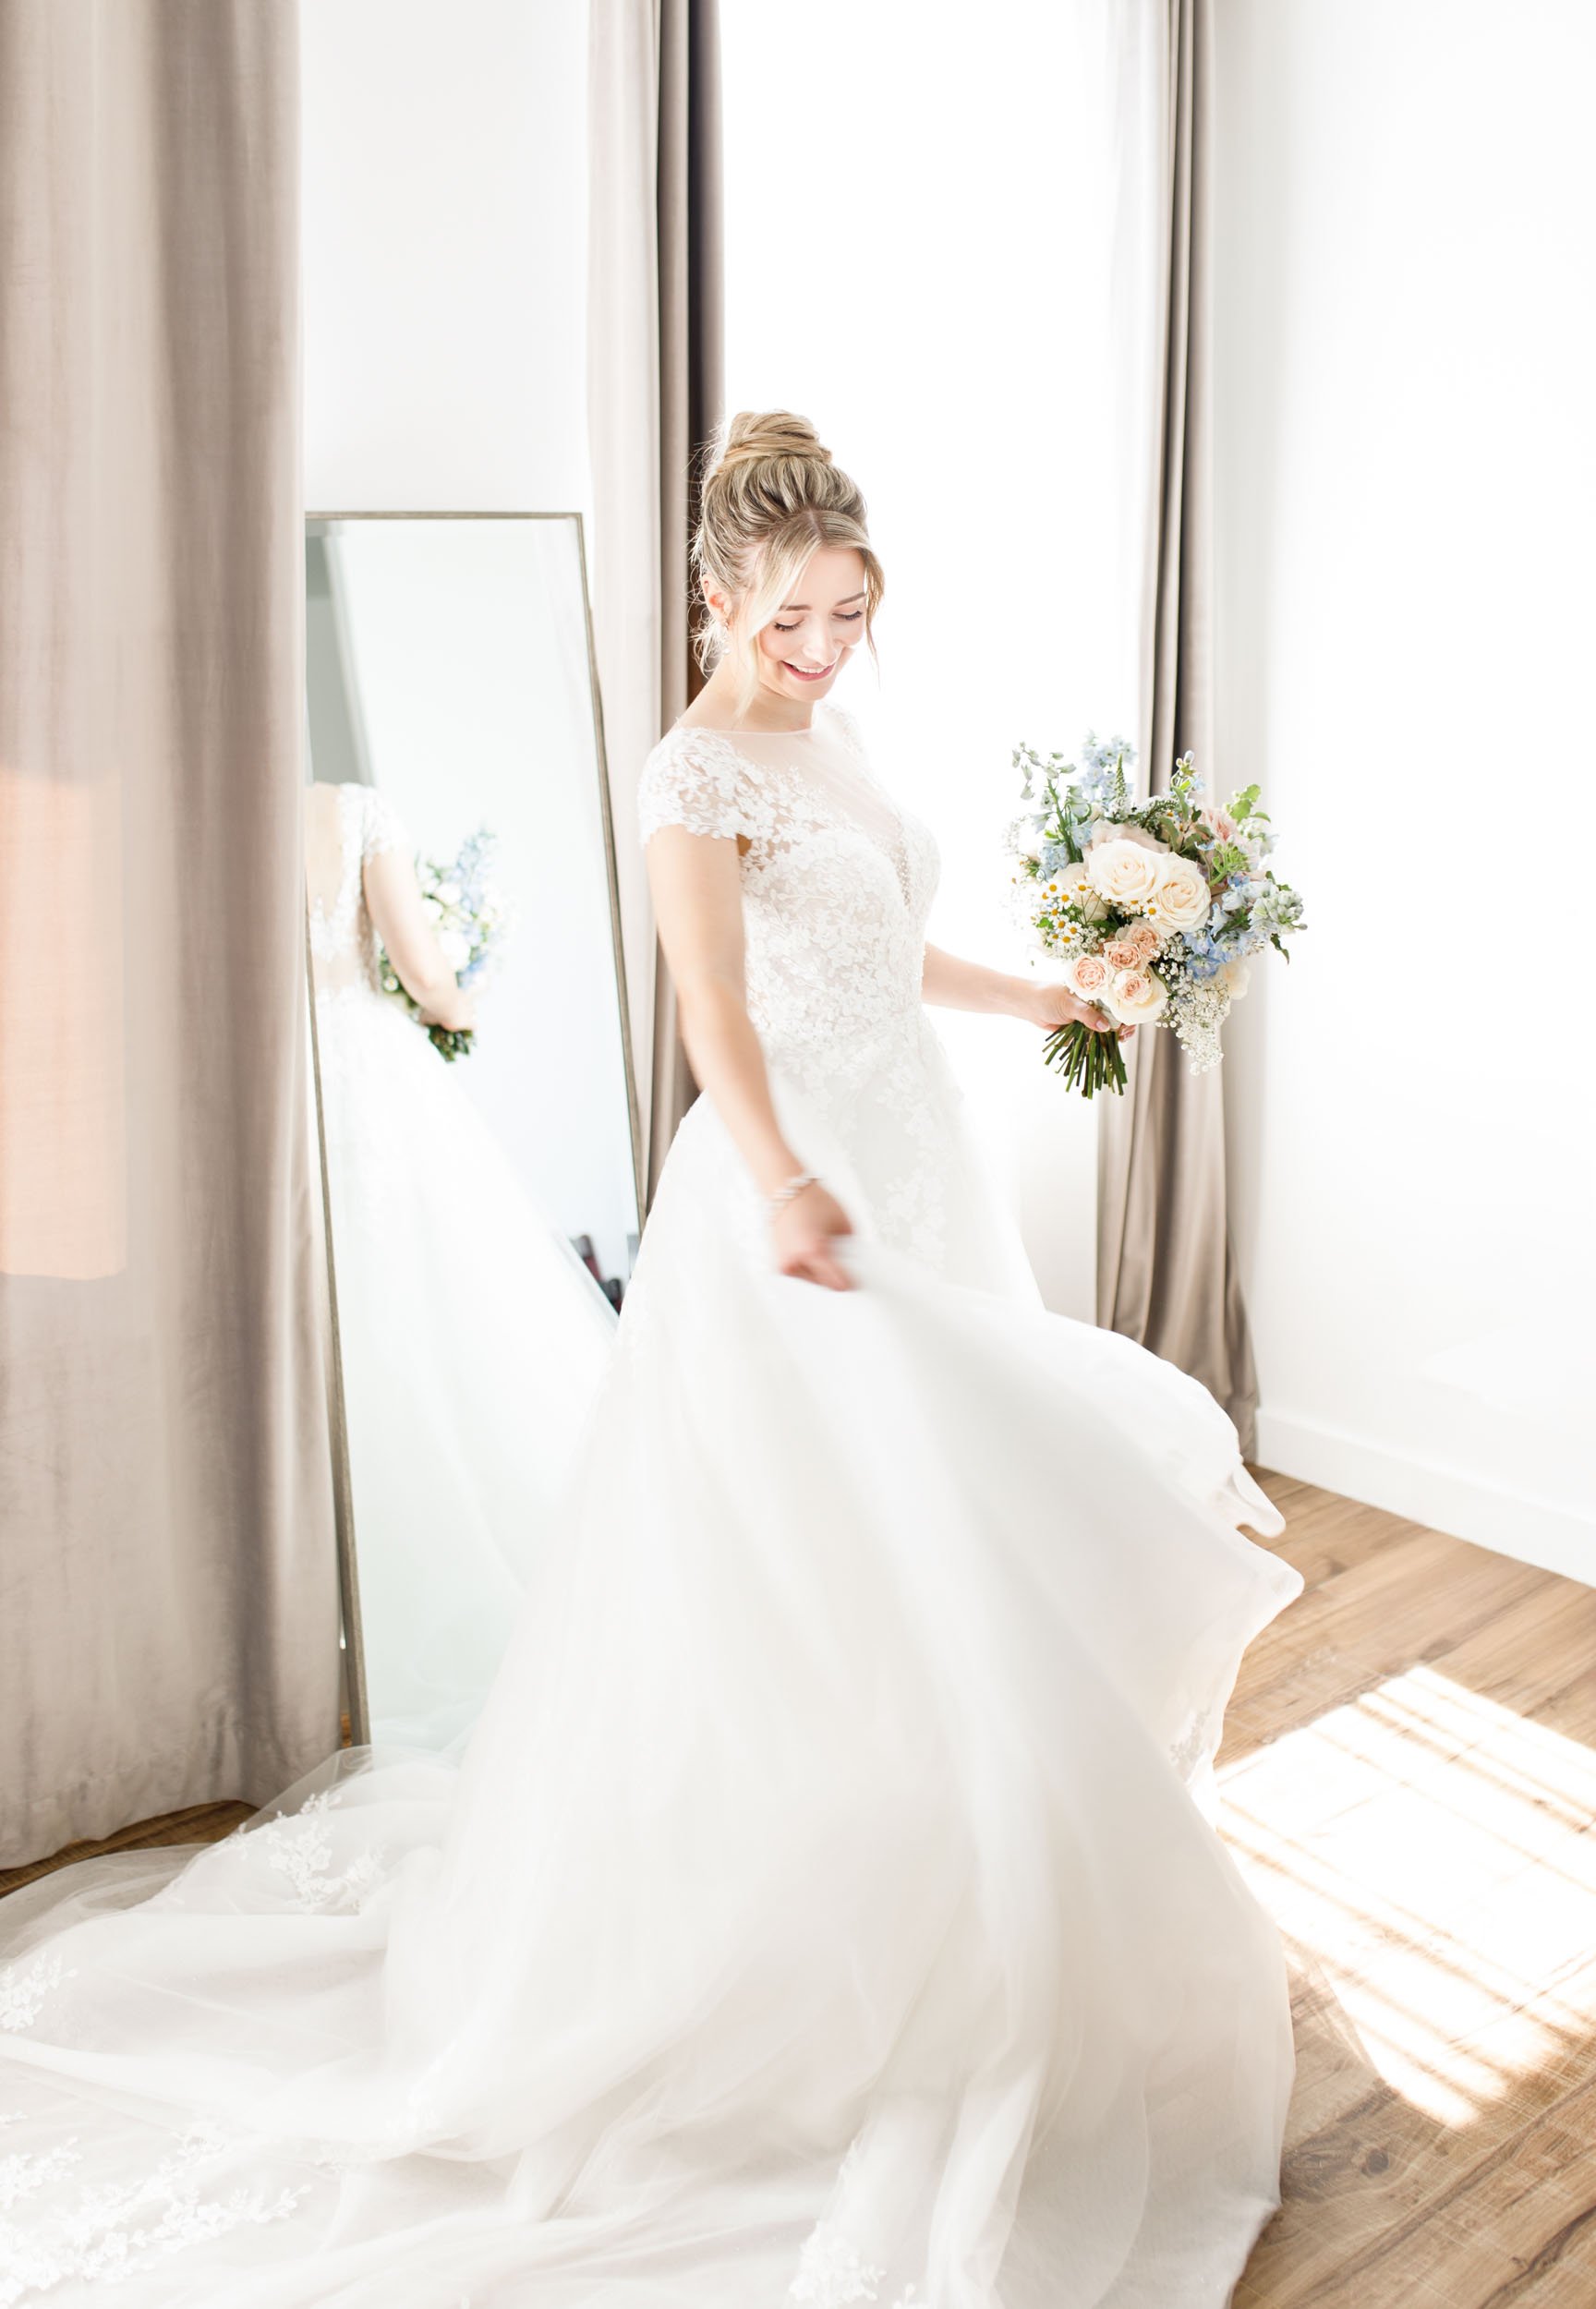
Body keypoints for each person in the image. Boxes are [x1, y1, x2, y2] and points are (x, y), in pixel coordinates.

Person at [0, 415, 1304, 2309]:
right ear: (716, 593)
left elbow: (882, 951)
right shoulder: (692, 769)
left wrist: (1053, 991)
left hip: (914, 1148)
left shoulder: (838, 742)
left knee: (952, 1549)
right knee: (851, 1562)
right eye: (795, 614)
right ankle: (837, 1942)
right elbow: (714, 1001)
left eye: (852, 613)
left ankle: (963, 1882)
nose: (826, 645)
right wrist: (781, 1180)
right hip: (789, 1202)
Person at [303, 780, 618, 1747]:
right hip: (361, 1064)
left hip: (281, 1074)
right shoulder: (350, 810)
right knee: (437, 1302)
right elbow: (422, 969)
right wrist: (458, 1004)